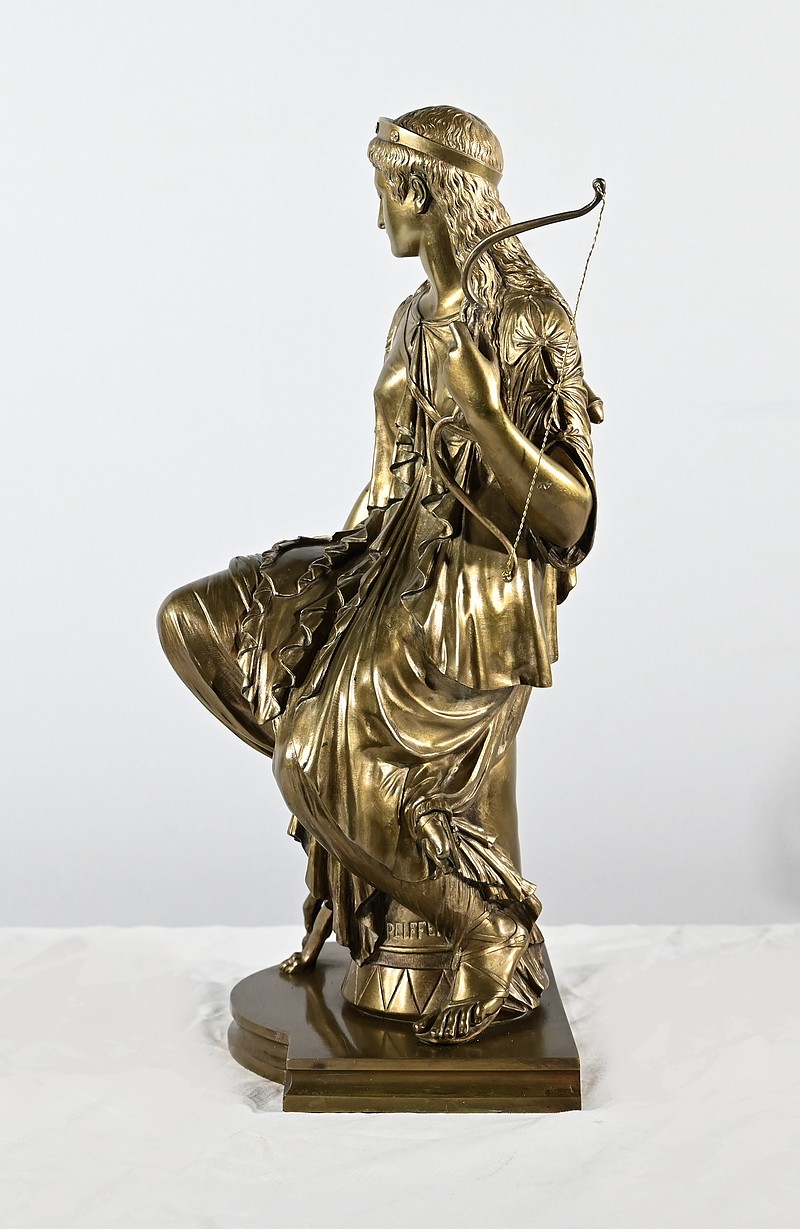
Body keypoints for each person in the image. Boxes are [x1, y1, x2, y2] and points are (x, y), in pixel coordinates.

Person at [158, 106, 598, 1044]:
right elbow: (387, 475)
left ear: (427, 193)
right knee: (199, 623)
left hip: (474, 586)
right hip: (386, 555)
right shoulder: (409, 318)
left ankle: (481, 928)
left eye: (386, 191)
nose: (378, 213)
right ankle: (364, 820)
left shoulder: (530, 318)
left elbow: (570, 517)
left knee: (309, 756)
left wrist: (487, 414)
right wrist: (327, 575)